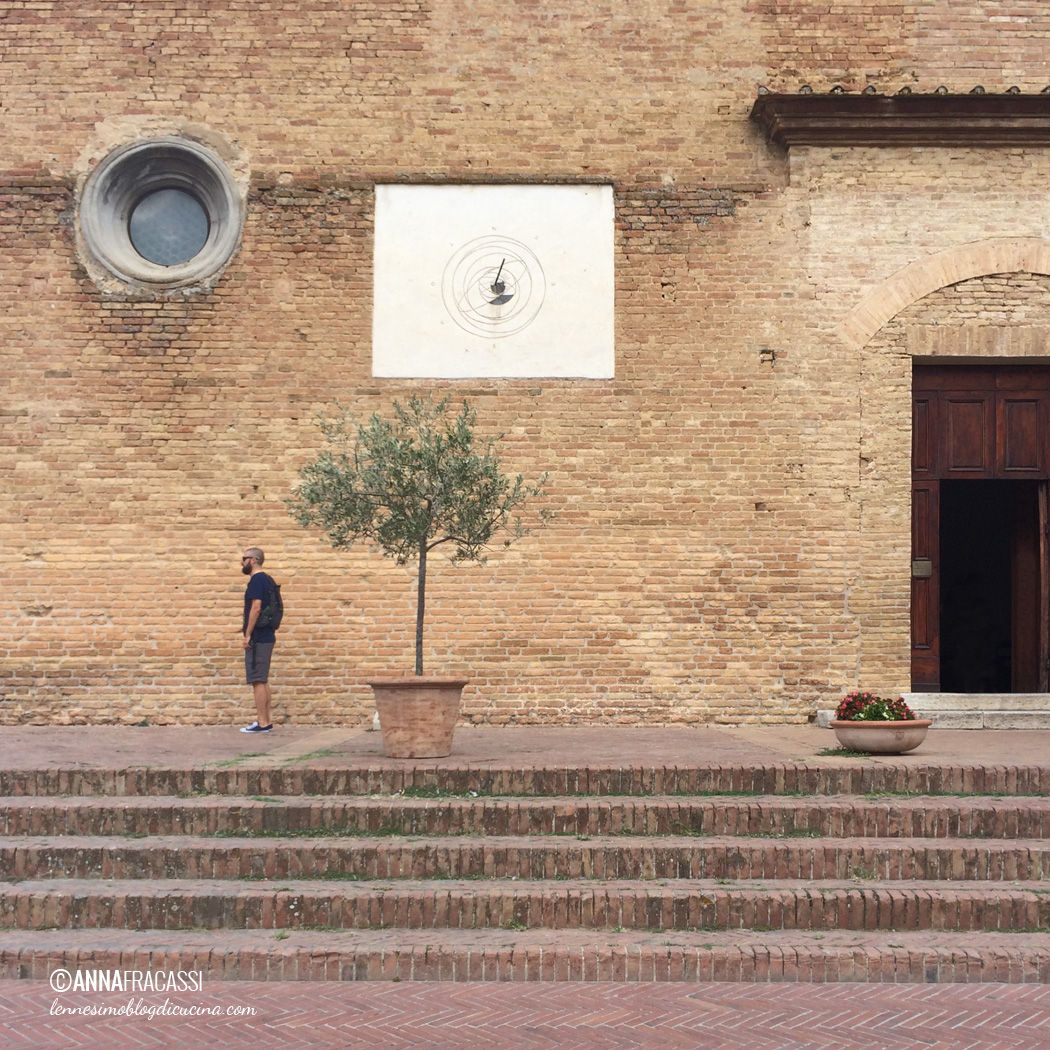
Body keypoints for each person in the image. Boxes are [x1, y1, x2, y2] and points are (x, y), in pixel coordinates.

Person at [239, 546, 277, 733]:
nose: (242, 561)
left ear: (253, 560)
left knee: (257, 680)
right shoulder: (268, 580)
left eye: (244, 558)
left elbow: (256, 607)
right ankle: (265, 721)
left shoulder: (257, 580)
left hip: (259, 636)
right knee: (262, 679)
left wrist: (247, 634)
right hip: (267, 634)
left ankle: (263, 723)